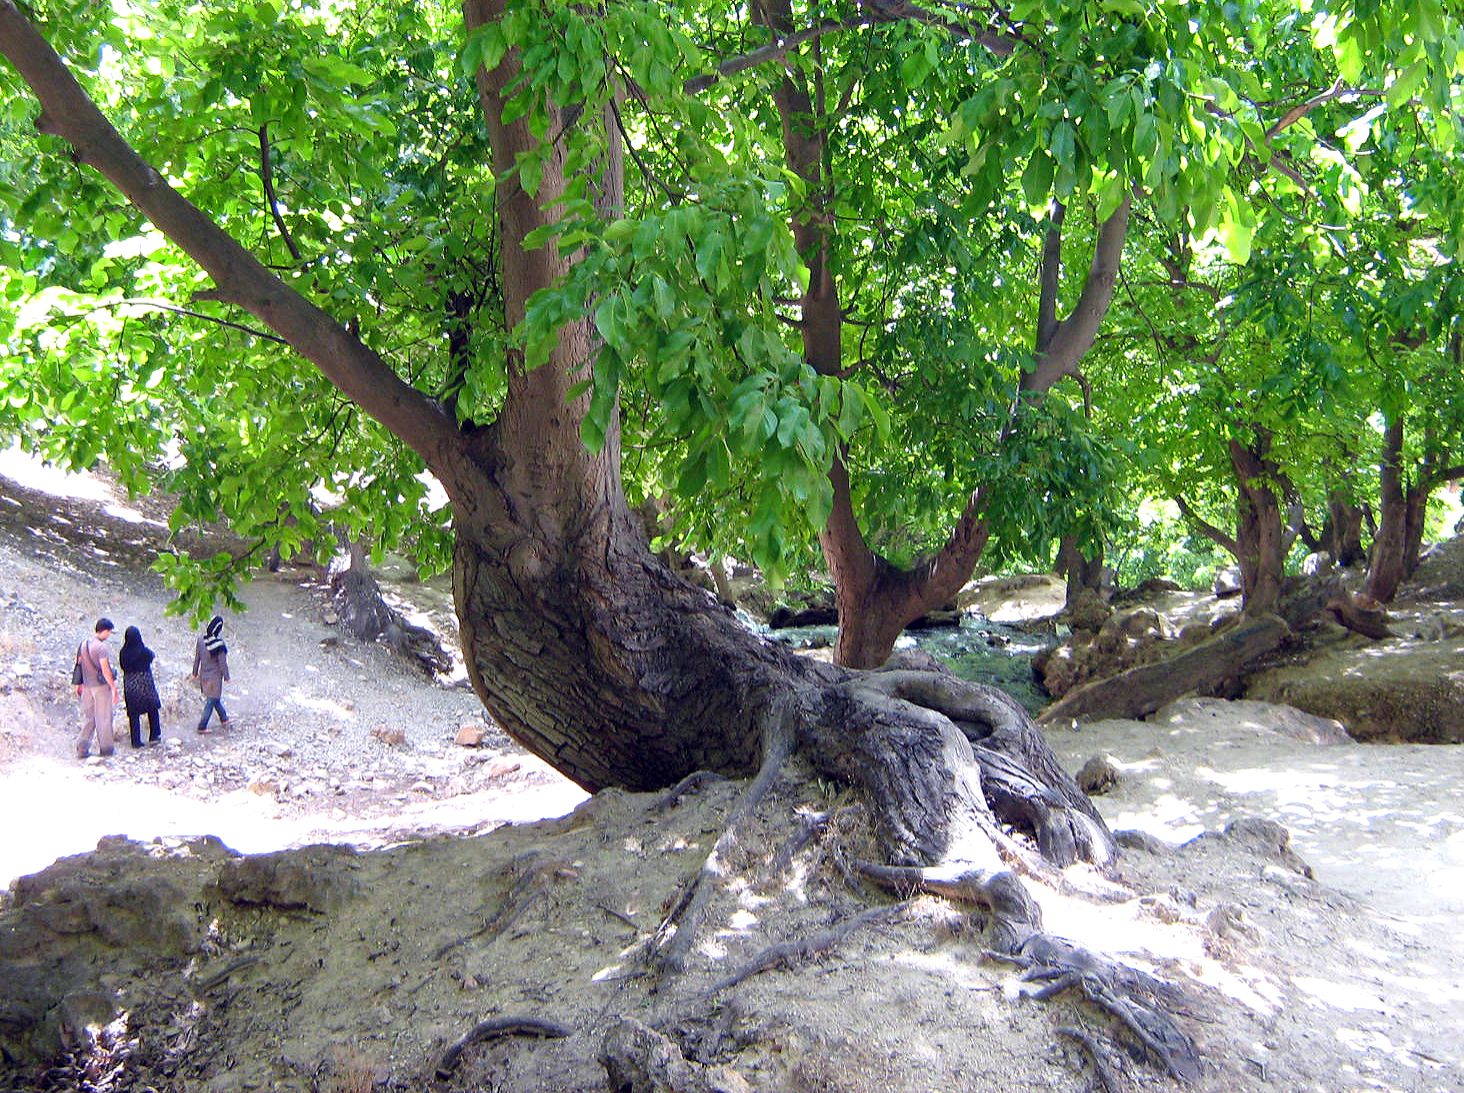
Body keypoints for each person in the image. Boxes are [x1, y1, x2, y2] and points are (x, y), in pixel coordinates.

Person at [74, 617, 119, 759]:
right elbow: (105, 670)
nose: (109, 635)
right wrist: (114, 688)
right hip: (100, 688)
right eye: (109, 632)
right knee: (104, 718)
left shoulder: (83, 644)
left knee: (89, 717)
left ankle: (82, 747)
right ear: (104, 631)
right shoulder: (101, 648)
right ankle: (106, 749)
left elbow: (78, 665)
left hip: (87, 686)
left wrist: (79, 684)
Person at [118, 625, 163, 748]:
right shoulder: (142, 650)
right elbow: (152, 656)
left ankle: (136, 741)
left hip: (130, 685)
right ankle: (154, 736)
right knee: (152, 709)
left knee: (133, 714)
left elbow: (122, 666)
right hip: (145, 683)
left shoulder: (123, 652)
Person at [191, 615, 232, 733]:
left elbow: (197, 658)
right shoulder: (219, 645)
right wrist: (227, 677)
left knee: (214, 699)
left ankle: (224, 718)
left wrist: (194, 673)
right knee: (211, 701)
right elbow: (222, 663)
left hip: (204, 676)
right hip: (215, 679)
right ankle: (202, 726)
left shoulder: (200, 640)